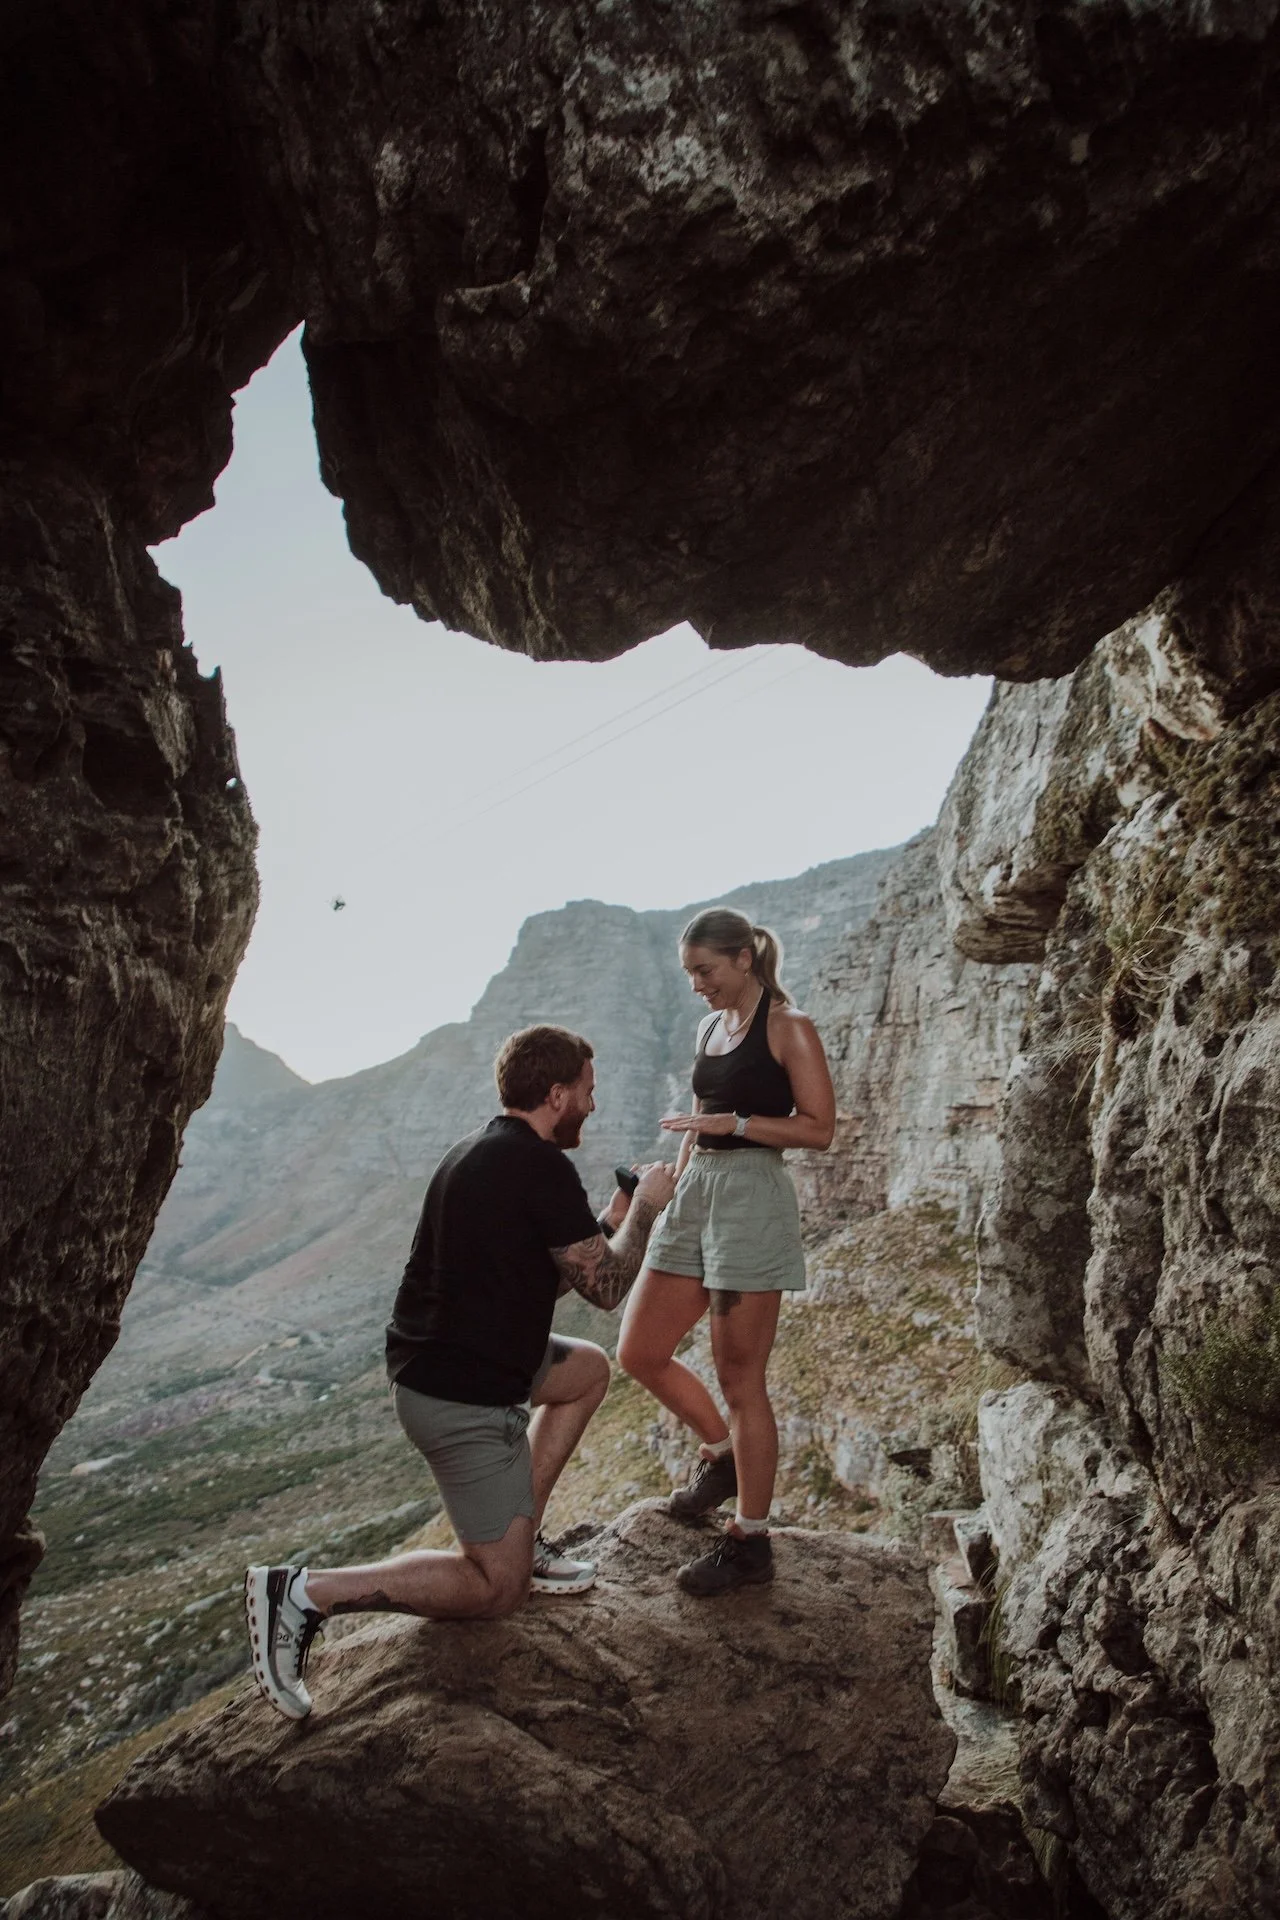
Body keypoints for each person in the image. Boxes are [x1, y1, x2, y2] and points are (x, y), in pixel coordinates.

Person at [245, 1024, 676, 1719]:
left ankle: (522, 1534)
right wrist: (647, 1208)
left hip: (452, 1363)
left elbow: (549, 1275)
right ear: (557, 1092)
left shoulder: (479, 1150)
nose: (593, 1108)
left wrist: (608, 1218)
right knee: (497, 1591)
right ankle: (302, 1593)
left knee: (586, 1371)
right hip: (462, 1395)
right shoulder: (539, 1166)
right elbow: (605, 1288)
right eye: (588, 1094)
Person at [618, 910, 835, 1596]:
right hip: (698, 1191)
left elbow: (820, 1128)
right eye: (689, 973)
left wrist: (734, 1124)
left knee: (741, 1378)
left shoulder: (789, 1027)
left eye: (704, 971)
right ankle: (721, 1458)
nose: (696, 986)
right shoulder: (709, 1028)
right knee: (638, 1351)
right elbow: (698, 1114)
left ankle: (750, 1540)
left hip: (751, 1196)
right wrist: (674, 1180)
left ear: (743, 959)